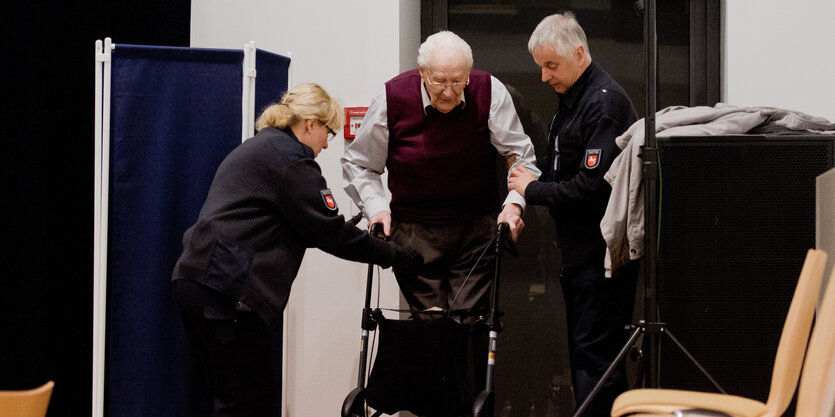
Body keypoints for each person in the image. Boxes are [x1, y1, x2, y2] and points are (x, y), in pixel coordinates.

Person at [170, 83, 423, 417]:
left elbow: (297, 222)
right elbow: (329, 233)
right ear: (310, 124)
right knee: (246, 405)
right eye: (328, 133)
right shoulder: (291, 161)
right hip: (228, 290)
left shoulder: (257, 148)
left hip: (199, 283)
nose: (326, 145)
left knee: (229, 398)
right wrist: (396, 255)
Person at [341, 30, 540, 316]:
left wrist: (513, 207)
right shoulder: (392, 97)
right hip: (413, 231)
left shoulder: (490, 90)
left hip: (475, 230)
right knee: (428, 326)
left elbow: (520, 155)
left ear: (468, 73)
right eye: (439, 81)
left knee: (467, 322)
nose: (449, 91)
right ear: (422, 72)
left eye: (458, 81)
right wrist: (377, 209)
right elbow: (360, 164)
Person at [508, 12, 641, 416]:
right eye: (541, 67)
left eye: (551, 65)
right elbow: (564, 165)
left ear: (579, 53)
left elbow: (589, 186)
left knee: (595, 358)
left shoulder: (604, 103)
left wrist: (531, 189)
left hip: (600, 258)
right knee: (587, 354)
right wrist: (533, 171)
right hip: (580, 255)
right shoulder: (573, 101)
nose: (544, 76)